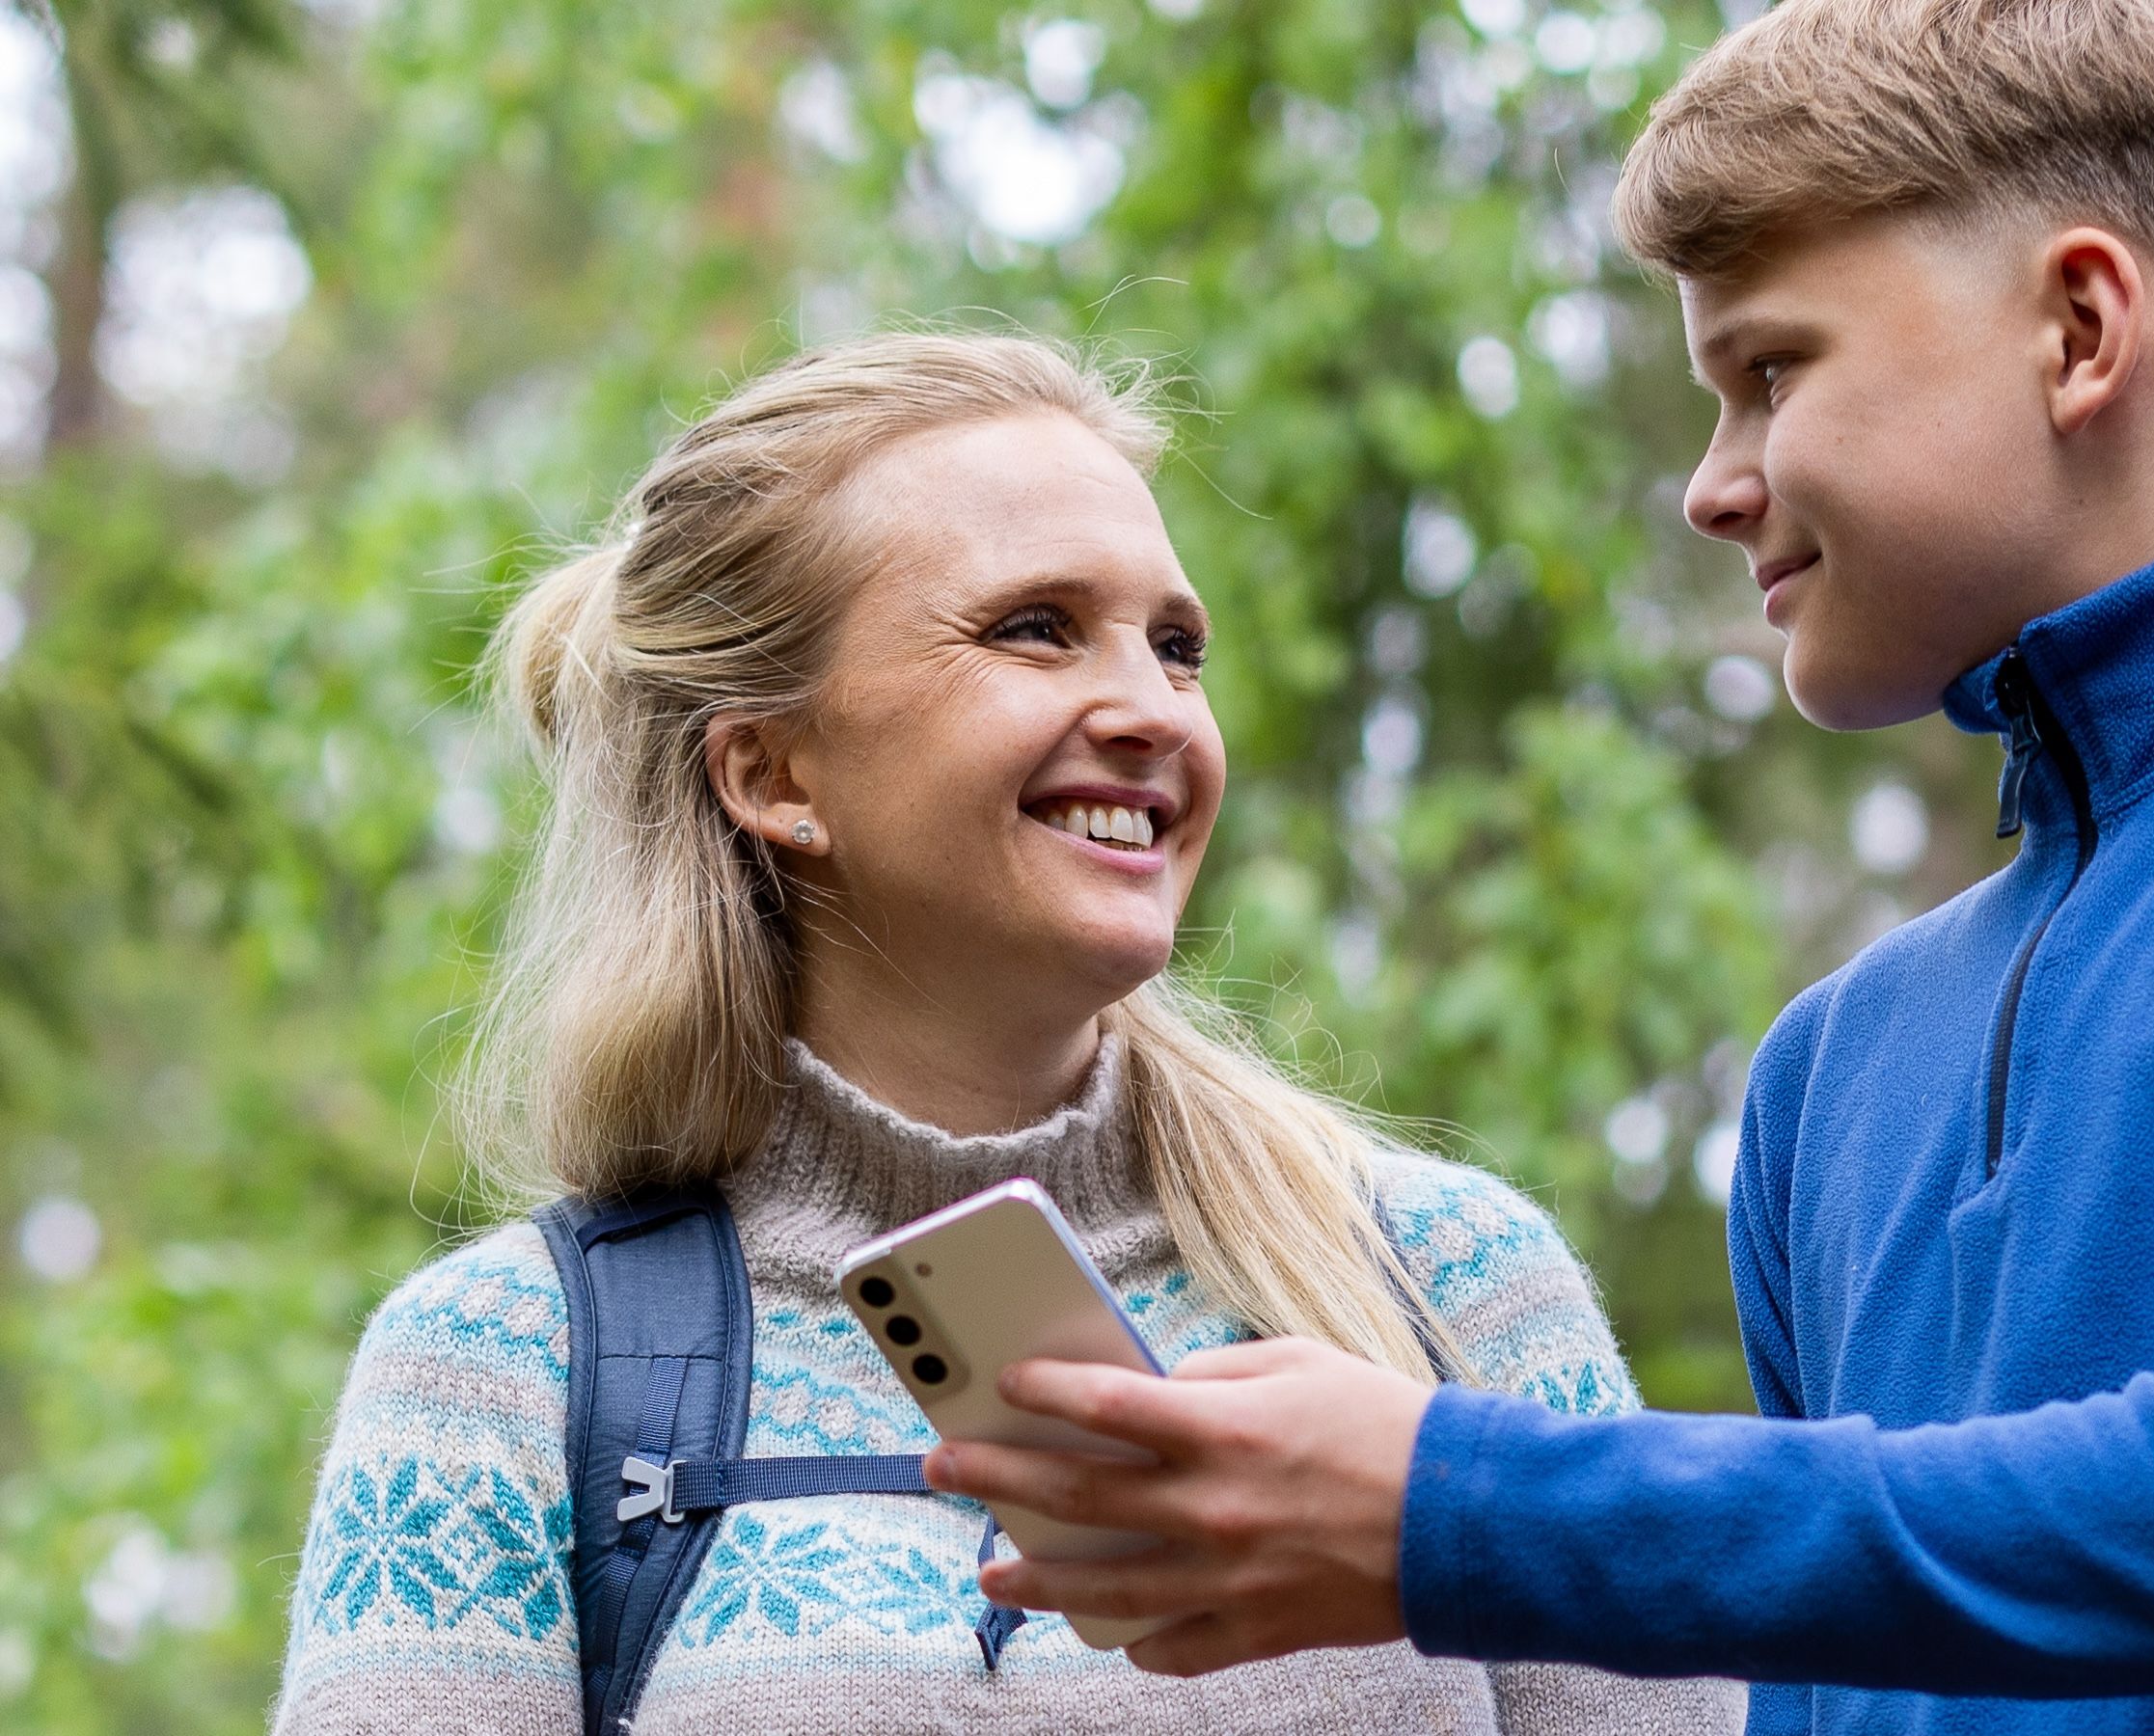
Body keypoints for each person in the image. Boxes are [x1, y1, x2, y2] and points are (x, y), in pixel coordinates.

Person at [924, 2, 2154, 1731]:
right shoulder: (1832, 1070)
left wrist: (1448, 1506)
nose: (1716, 483)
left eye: (1770, 369)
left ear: (2082, 330)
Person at [271, 331, 1741, 1734]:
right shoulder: (501, 1369)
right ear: (774, 771)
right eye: (1036, 630)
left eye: (1177, 646)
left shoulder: (1453, 1287)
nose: (1156, 709)